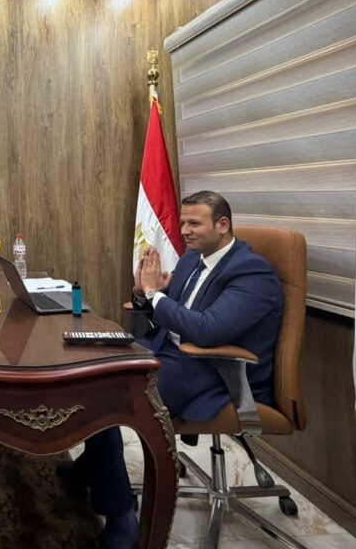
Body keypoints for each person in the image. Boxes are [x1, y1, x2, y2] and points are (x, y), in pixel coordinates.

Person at [73, 190, 283, 549]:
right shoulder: (192, 259)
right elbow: (161, 313)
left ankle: (122, 520)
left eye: (194, 223)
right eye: (183, 222)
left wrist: (155, 295)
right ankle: (93, 465)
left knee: (107, 399)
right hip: (170, 352)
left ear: (223, 225)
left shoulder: (253, 273)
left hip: (216, 371)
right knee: (92, 370)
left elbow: (206, 330)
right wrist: (143, 293)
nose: (184, 231)